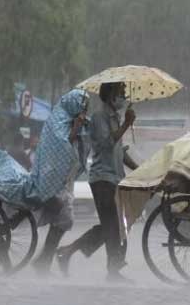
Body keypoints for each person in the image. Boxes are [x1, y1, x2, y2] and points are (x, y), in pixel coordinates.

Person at [56, 81, 137, 282]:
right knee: (114, 226)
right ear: (111, 94)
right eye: (121, 92)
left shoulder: (115, 118)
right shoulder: (100, 117)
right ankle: (112, 270)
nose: (123, 97)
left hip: (115, 177)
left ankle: (68, 252)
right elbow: (106, 144)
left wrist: (139, 168)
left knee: (114, 226)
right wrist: (127, 124)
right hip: (102, 179)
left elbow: (120, 150)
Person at [30, 93, 89, 275]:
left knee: (61, 221)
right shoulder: (59, 123)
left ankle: (43, 261)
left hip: (64, 180)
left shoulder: (66, 121)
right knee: (65, 219)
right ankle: (43, 260)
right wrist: (77, 127)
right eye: (84, 106)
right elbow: (62, 147)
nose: (86, 110)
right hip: (52, 179)